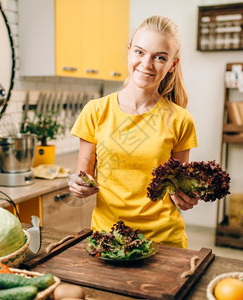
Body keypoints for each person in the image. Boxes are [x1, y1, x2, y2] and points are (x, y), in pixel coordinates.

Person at [68, 15, 198, 248]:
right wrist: (78, 184)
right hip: (109, 239)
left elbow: (178, 187)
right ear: (129, 52)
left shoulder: (181, 119)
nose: (147, 64)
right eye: (139, 52)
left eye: (160, 57)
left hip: (163, 241)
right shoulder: (95, 111)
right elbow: (84, 176)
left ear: (172, 65)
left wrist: (187, 196)